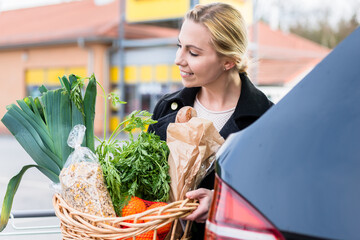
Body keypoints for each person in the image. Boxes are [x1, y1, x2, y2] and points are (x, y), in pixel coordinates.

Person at [148, 2, 273, 238]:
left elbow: (277, 201)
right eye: (179, 46)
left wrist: (221, 204)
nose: (178, 59)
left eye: (193, 52)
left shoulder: (267, 122)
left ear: (228, 61)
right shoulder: (167, 108)